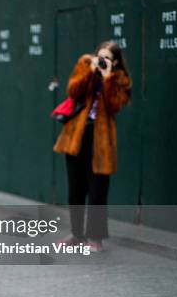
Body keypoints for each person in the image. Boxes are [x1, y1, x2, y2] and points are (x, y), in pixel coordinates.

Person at [54, 41, 132, 252]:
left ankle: (95, 237)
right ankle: (77, 234)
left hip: (102, 142)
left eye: (107, 58)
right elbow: (73, 90)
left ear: (115, 62)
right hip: (77, 136)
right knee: (75, 190)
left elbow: (115, 105)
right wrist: (90, 72)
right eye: (100, 56)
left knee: (97, 192)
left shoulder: (120, 80)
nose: (102, 60)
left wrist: (107, 79)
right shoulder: (85, 64)